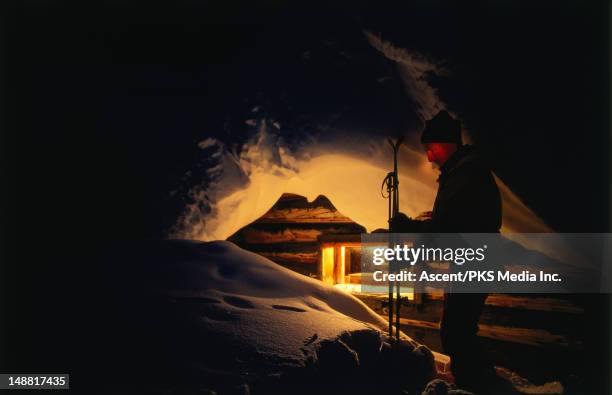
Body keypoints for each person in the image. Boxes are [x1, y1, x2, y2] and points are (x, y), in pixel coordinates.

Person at [391, 110, 503, 392]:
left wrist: (410, 228)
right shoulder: (461, 171)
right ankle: (477, 382)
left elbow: (452, 227)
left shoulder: (465, 174)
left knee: (456, 332)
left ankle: (476, 385)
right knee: (458, 330)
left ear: (445, 143)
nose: (429, 157)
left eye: (431, 148)